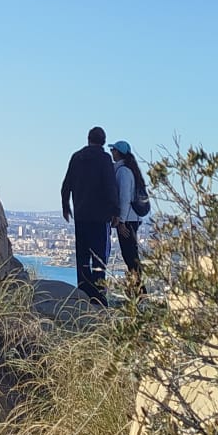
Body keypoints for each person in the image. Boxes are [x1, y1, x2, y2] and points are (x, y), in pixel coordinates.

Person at [60, 124, 120, 304]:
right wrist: (115, 211)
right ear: (103, 142)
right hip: (100, 217)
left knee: (83, 255)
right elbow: (111, 187)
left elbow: (66, 184)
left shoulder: (77, 157)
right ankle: (98, 294)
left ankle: (83, 290)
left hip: (81, 214)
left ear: (88, 139)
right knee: (99, 257)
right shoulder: (104, 159)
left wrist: (65, 206)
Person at [110, 139, 149, 280]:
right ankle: (137, 288)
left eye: (113, 150)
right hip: (132, 218)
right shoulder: (129, 169)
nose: (111, 153)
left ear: (118, 153)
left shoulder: (123, 172)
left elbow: (124, 198)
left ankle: (139, 290)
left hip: (128, 219)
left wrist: (121, 221)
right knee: (130, 254)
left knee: (130, 255)